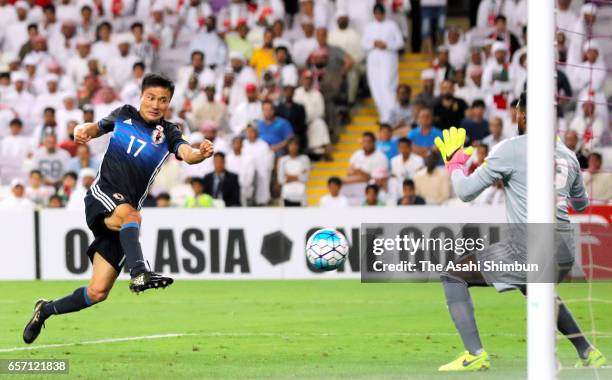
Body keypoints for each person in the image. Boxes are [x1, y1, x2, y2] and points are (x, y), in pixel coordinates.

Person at [23, 74, 215, 345]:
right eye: (150, 97)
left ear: (169, 103)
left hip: (124, 219)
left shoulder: (169, 132)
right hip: (102, 197)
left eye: (163, 100)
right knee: (133, 215)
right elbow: (95, 128)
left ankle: (45, 310)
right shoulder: (124, 115)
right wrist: (83, 130)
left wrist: (201, 153)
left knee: (97, 291)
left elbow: (187, 153)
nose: (155, 104)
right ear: (141, 97)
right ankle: (139, 272)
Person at [435, 95, 606, 371]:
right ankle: (588, 351)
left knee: (453, 274)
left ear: (523, 116)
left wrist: (455, 165)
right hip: (564, 250)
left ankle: (475, 353)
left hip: (530, 245)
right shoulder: (567, 155)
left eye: (516, 113)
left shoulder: (510, 149)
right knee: (534, 287)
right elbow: (581, 204)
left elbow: (466, 192)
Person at [362, 4, 403, 123]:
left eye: (381, 13)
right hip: (373, 59)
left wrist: (387, 45)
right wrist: (374, 43)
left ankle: (393, 114)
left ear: (384, 13)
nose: (379, 16)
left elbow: (400, 42)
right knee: (375, 86)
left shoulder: (392, 25)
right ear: (374, 14)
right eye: (377, 14)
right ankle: (384, 116)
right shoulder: (369, 26)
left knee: (387, 86)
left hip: (388, 57)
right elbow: (363, 43)